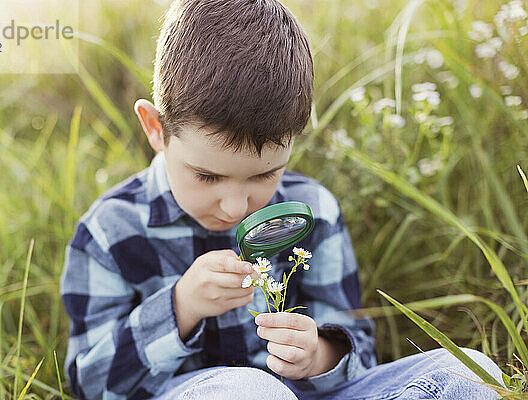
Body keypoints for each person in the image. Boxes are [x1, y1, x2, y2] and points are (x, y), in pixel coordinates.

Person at [59, 0, 504, 399]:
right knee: (250, 390)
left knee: (469, 374)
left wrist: (318, 355)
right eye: (207, 174)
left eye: (265, 174)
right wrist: (179, 307)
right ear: (156, 129)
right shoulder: (110, 230)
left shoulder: (316, 209)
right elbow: (89, 382)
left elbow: (357, 350)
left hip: (311, 395)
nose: (235, 207)